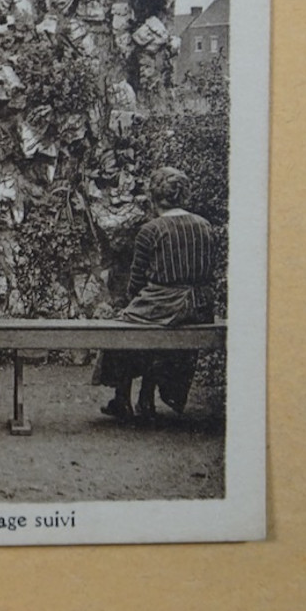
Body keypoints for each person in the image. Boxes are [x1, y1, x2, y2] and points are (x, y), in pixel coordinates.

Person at [96, 166, 218, 423]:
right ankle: (146, 398)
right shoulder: (204, 226)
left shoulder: (151, 230)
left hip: (165, 303)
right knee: (151, 326)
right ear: (183, 195)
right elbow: (209, 271)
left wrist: (131, 305)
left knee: (124, 328)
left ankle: (123, 398)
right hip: (200, 307)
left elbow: (137, 283)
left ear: (153, 197)